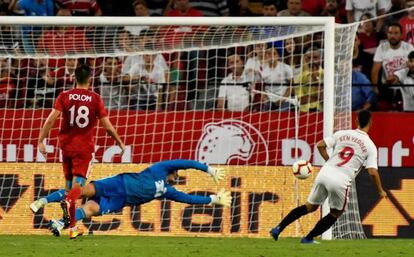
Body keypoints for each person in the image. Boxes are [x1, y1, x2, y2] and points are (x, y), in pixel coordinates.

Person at [30, 65, 126, 231]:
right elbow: (108, 127)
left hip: (66, 148)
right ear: (90, 79)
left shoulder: (64, 95)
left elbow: (51, 120)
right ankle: (57, 209)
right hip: (83, 150)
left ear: (74, 78)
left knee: (69, 189)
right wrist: (119, 142)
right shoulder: (95, 98)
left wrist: (41, 141)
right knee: (76, 191)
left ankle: (66, 224)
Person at [270, 110, 387, 244]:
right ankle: (308, 238)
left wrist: (329, 161)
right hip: (341, 179)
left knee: (310, 206)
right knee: (335, 213)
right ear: (370, 123)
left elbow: (320, 145)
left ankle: (278, 228)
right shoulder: (370, 145)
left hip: (325, 172)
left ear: (356, 121)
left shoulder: (342, 133)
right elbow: (372, 172)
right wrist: (380, 190)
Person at [51, 159, 231, 238]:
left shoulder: (167, 190)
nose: (177, 176)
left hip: (120, 200)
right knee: (83, 191)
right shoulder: (161, 168)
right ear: (172, 171)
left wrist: (212, 199)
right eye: (176, 174)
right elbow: (187, 163)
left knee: (90, 209)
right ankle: (52, 200)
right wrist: (208, 169)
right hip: (119, 183)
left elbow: (187, 198)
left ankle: (60, 223)